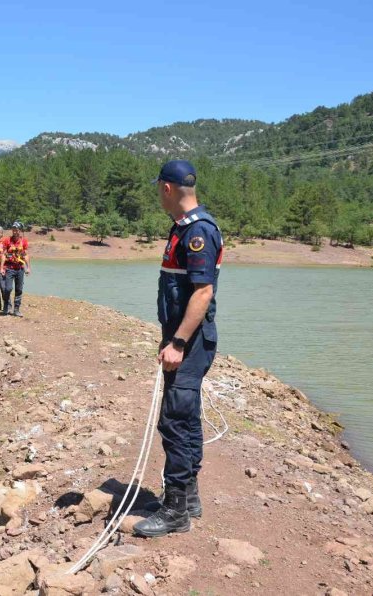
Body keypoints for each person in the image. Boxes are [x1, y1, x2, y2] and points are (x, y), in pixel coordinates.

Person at [133, 160, 224, 538]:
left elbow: (203, 292)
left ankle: (175, 512)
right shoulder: (183, 229)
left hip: (190, 344)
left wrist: (178, 342)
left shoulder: (198, 231)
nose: (158, 195)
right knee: (185, 418)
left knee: (174, 420)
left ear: (167, 188)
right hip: (182, 340)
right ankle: (188, 498)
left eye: (159, 189)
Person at [0, 221, 31, 317]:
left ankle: (16, 309)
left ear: (20, 231)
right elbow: (3, 255)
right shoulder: (7, 240)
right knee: (7, 289)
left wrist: (28, 267)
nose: (15, 231)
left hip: (20, 269)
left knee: (19, 289)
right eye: (13, 229)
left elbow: (25, 255)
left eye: (16, 230)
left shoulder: (24, 241)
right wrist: (1, 267)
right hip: (9, 268)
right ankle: (6, 306)